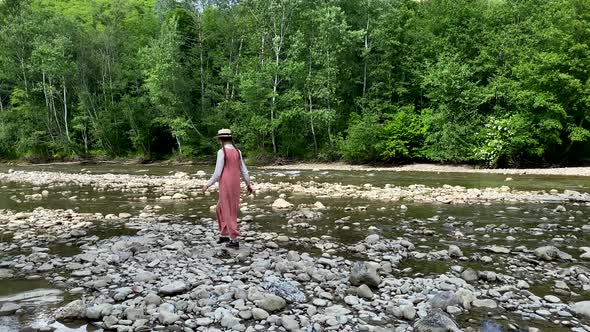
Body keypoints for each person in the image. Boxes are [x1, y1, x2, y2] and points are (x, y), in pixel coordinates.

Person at [202, 129, 254, 248]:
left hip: (226, 183)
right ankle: (224, 234)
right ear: (230, 138)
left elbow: (217, 173)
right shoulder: (237, 151)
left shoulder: (222, 152)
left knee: (229, 210)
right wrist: (248, 184)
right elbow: (244, 170)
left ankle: (234, 239)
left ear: (220, 139)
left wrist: (207, 184)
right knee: (220, 208)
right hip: (235, 183)